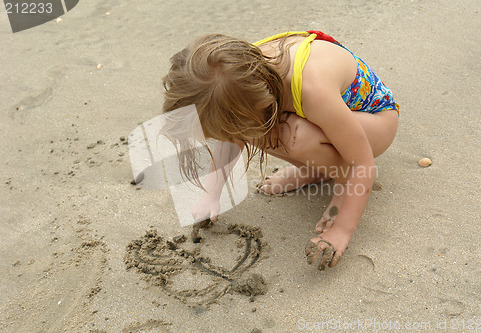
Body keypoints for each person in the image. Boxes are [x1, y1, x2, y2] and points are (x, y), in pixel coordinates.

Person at [162, 30, 399, 270]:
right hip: (327, 120)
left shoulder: (312, 89)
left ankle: (341, 179)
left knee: (291, 135)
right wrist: (211, 194)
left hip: (375, 120)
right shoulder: (238, 75)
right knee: (258, 128)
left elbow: (363, 163)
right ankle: (316, 170)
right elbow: (234, 135)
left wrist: (341, 231)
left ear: (261, 103)